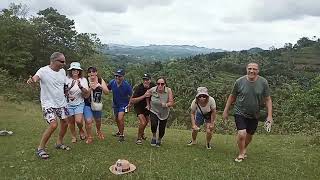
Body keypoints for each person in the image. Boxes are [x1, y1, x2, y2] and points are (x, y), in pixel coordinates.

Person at [223, 62, 273, 162]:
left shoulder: (263, 82)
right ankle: (241, 153)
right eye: (250, 68)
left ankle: (244, 148)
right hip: (239, 111)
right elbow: (232, 96)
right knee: (242, 134)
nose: (252, 71)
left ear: (258, 71)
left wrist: (270, 116)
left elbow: (268, 99)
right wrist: (226, 110)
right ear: (246, 69)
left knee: (249, 136)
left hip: (254, 114)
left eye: (254, 69)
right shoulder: (239, 81)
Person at [27, 52, 71, 159]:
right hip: (48, 103)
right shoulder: (43, 71)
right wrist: (32, 81)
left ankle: (59, 143)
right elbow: (35, 78)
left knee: (65, 123)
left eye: (64, 61)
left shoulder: (62, 71)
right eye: (61, 61)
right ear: (53, 61)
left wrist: (67, 93)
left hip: (61, 102)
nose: (64, 63)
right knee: (53, 125)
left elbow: (64, 84)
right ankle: (40, 148)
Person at [83, 66, 109, 144]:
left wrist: (99, 86)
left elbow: (107, 92)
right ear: (88, 74)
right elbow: (85, 96)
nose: (92, 73)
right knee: (88, 121)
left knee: (98, 120)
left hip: (97, 103)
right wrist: (90, 88)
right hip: (87, 104)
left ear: (96, 72)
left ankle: (98, 130)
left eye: (93, 71)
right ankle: (89, 136)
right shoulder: (85, 81)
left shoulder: (100, 80)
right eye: (90, 72)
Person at [147, 77, 174, 147]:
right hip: (154, 110)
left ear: (165, 84)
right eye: (158, 84)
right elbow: (147, 95)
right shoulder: (153, 89)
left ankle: (159, 139)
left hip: (164, 112)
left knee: (162, 128)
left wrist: (166, 104)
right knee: (153, 124)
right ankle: (154, 137)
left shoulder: (168, 90)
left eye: (162, 84)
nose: (160, 85)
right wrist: (148, 105)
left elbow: (171, 102)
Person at [107, 69, 132, 142]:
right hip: (115, 104)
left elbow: (131, 95)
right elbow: (107, 89)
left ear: (123, 77)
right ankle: (119, 131)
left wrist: (129, 104)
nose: (117, 77)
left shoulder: (126, 85)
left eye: (119, 76)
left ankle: (122, 135)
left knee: (120, 118)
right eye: (116, 76)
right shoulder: (112, 82)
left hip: (123, 104)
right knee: (116, 119)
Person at [130, 73, 156, 145]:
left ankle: (142, 133)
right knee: (143, 122)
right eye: (144, 80)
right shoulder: (139, 88)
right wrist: (144, 96)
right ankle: (139, 138)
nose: (145, 81)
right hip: (139, 107)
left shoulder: (153, 86)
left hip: (148, 107)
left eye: (147, 80)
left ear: (150, 80)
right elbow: (132, 100)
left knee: (146, 122)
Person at [66, 62, 88, 143]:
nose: (75, 71)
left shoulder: (83, 80)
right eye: (73, 70)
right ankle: (73, 136)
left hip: (79, 103)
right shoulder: (67, 79)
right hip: (69, 104)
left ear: (79, 71)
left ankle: (81, 130)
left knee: (78, 121)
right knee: (71, 122)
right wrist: (69, 95)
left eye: (77, 70)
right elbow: (63, 91)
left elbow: (86, 92)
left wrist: (80, 86)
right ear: (71, 71)